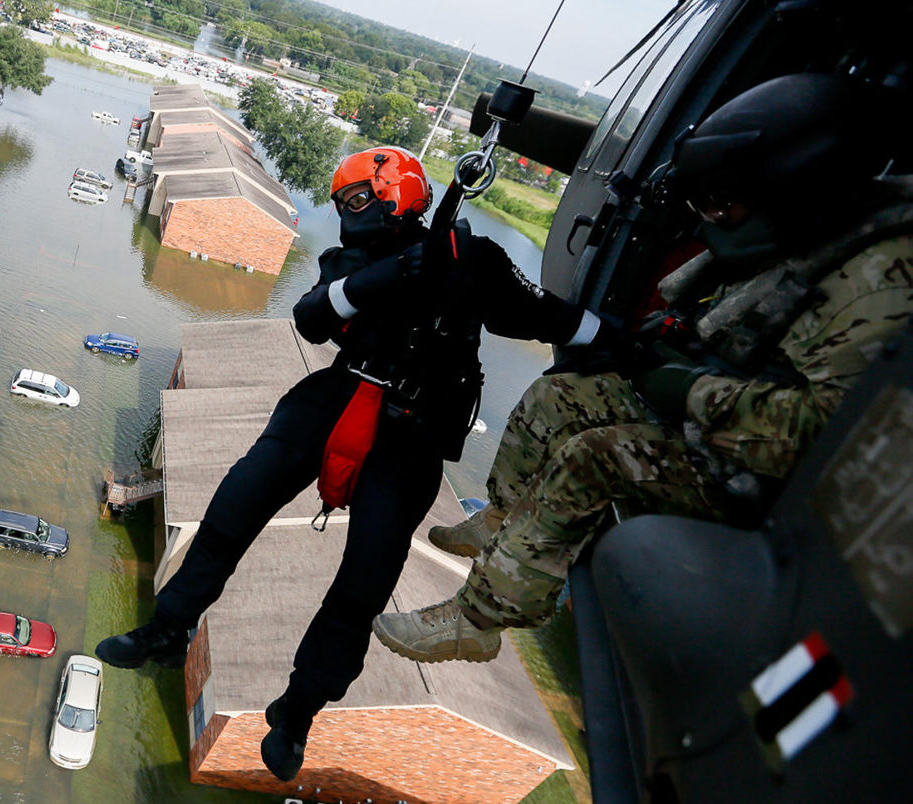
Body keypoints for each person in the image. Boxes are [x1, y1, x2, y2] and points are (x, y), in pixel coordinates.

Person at [95, 146, 604, 781]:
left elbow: (556, 319)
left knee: (365, 579)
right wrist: (390, 274)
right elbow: (311, 318)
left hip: (413, 431)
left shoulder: (473, 260)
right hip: (343, 393)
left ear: (401, 195)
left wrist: (631, 343)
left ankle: (298, 711)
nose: (348, 213)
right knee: (235, 503)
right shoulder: (352, 262)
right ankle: (167, 631)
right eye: (342, 204)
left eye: (359, 200)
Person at [373, 73, 913, 664]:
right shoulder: (818, 236)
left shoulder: (880, 286)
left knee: (596, 456)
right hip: (723, 420)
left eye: (723, 206)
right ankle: (501, 520)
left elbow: (823, 442)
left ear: (796, 193)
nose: (710, 221)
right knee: (564, 393)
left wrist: (691, 390)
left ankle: (477, 621)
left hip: (774, 483)